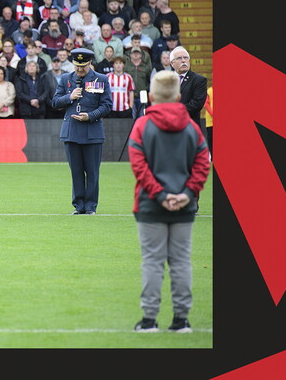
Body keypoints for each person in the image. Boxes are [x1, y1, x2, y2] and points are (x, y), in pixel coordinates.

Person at [129, 70, 210, 334]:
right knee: (181, 261)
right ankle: (181, 320)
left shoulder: (142, 126)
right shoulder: (192, 127)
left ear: (151, 96)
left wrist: (161, 195)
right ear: (177, 97)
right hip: (185, 205)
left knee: (152, 262)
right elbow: (203, 163)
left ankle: (149, 320)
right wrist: (187, 193)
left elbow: (139, 166)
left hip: (150, 204)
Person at [51, 48, 112, 214]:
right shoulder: (66, 79)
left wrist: (90, 116)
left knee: (92, 171)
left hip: (92, 132)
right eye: (77, 66)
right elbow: (55, 102)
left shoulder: (101, 79)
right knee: (76, 171)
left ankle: (91, 206)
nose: (79, 69)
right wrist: (69, 97)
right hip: (71, 132)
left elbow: (107, 105)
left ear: (90, 63)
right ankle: (78, 206)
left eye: (83, 66)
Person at [170, 46, 208, 132]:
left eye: (186, 58)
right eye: (179, 58)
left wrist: (174, 112)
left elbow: (196, 104)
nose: (183, 61)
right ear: (172, 63)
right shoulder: (166, 79)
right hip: (169, 127)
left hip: (189, 127)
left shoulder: (199, 80)